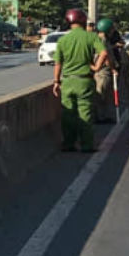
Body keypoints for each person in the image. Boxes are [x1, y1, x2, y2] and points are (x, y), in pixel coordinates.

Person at [52, 9, 107, 153]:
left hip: (68, 82)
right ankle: (87, 145)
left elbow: (58, 63)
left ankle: (68, 144)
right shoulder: (91, 37)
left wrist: (56, 81)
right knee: (85, 114)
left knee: (68, 115)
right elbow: (104, 52)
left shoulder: (63, 40)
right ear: (83, 21)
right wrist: (96, 67)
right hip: (85, 81)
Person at [94, 18, 121, 123]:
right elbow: (106, 57)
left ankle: (102, 116)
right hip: (102, 72)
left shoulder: (100, 39)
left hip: (100, 71)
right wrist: (113, 68)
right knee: (101, 95)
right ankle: (100, 117)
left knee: (103, 95)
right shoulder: (103, 40)